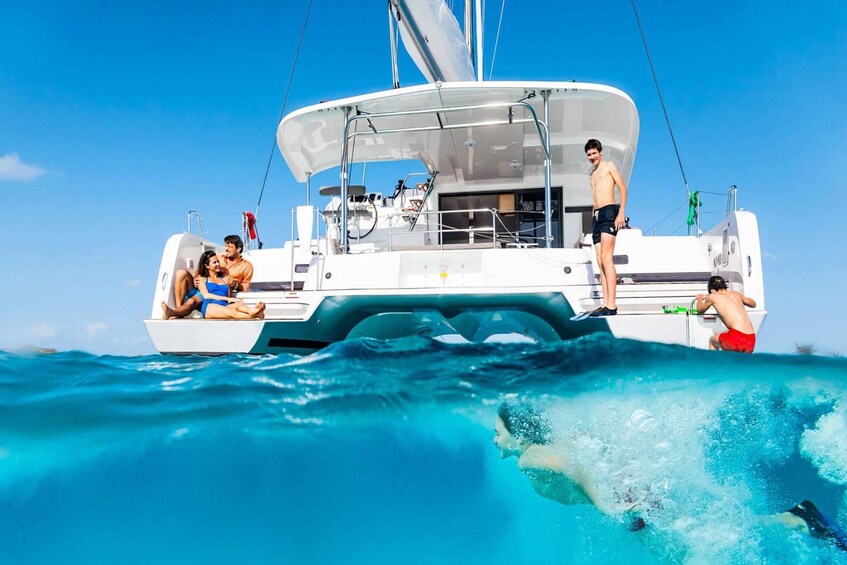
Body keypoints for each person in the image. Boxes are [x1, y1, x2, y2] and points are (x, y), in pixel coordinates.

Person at [494, 402, 847, 554]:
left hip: (631, 503)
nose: (495, 439)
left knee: (693, 552)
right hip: (634, 500)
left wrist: (605, 502)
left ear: (518, 432)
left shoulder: (530, 458)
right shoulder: (545, 447)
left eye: (498, 432)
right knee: (707, 535)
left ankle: (800, 519)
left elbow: (573, 465)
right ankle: (799, 518)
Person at [585, 139, 627, 317]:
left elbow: (623, 189)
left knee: (607, 258)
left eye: (594, 153)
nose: (592, 157)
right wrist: (592, 217)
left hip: (610, 211)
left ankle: (612, 305)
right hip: (596, 216)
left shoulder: (609, 166)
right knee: (599, 260)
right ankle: (605, 303)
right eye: (589, 155)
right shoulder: (591, 175)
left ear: (600, 152)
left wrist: (621, 213)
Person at [166, 235, 255, 319]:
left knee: (192, 302)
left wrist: (235, 284)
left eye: (230, 247)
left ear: (238, 249)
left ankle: (176, 312)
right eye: (225, 246)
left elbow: (245, 287)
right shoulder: (218, 257)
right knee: (181, 273)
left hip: (219, 290)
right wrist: (196, 278)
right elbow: (202, 268)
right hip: (205, 287)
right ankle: (179, 309)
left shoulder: (247, 266)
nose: (226, 249)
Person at [696, 275, 757, 353]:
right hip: (751, 339)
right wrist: (742, 299)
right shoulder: (736, 294)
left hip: (736, 337)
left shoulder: (712, 296)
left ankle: (714, 364)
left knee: (712, 340)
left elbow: (699, 310)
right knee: (740, 360)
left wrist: (700, 298)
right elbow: (753, 304)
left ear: (712, 290)